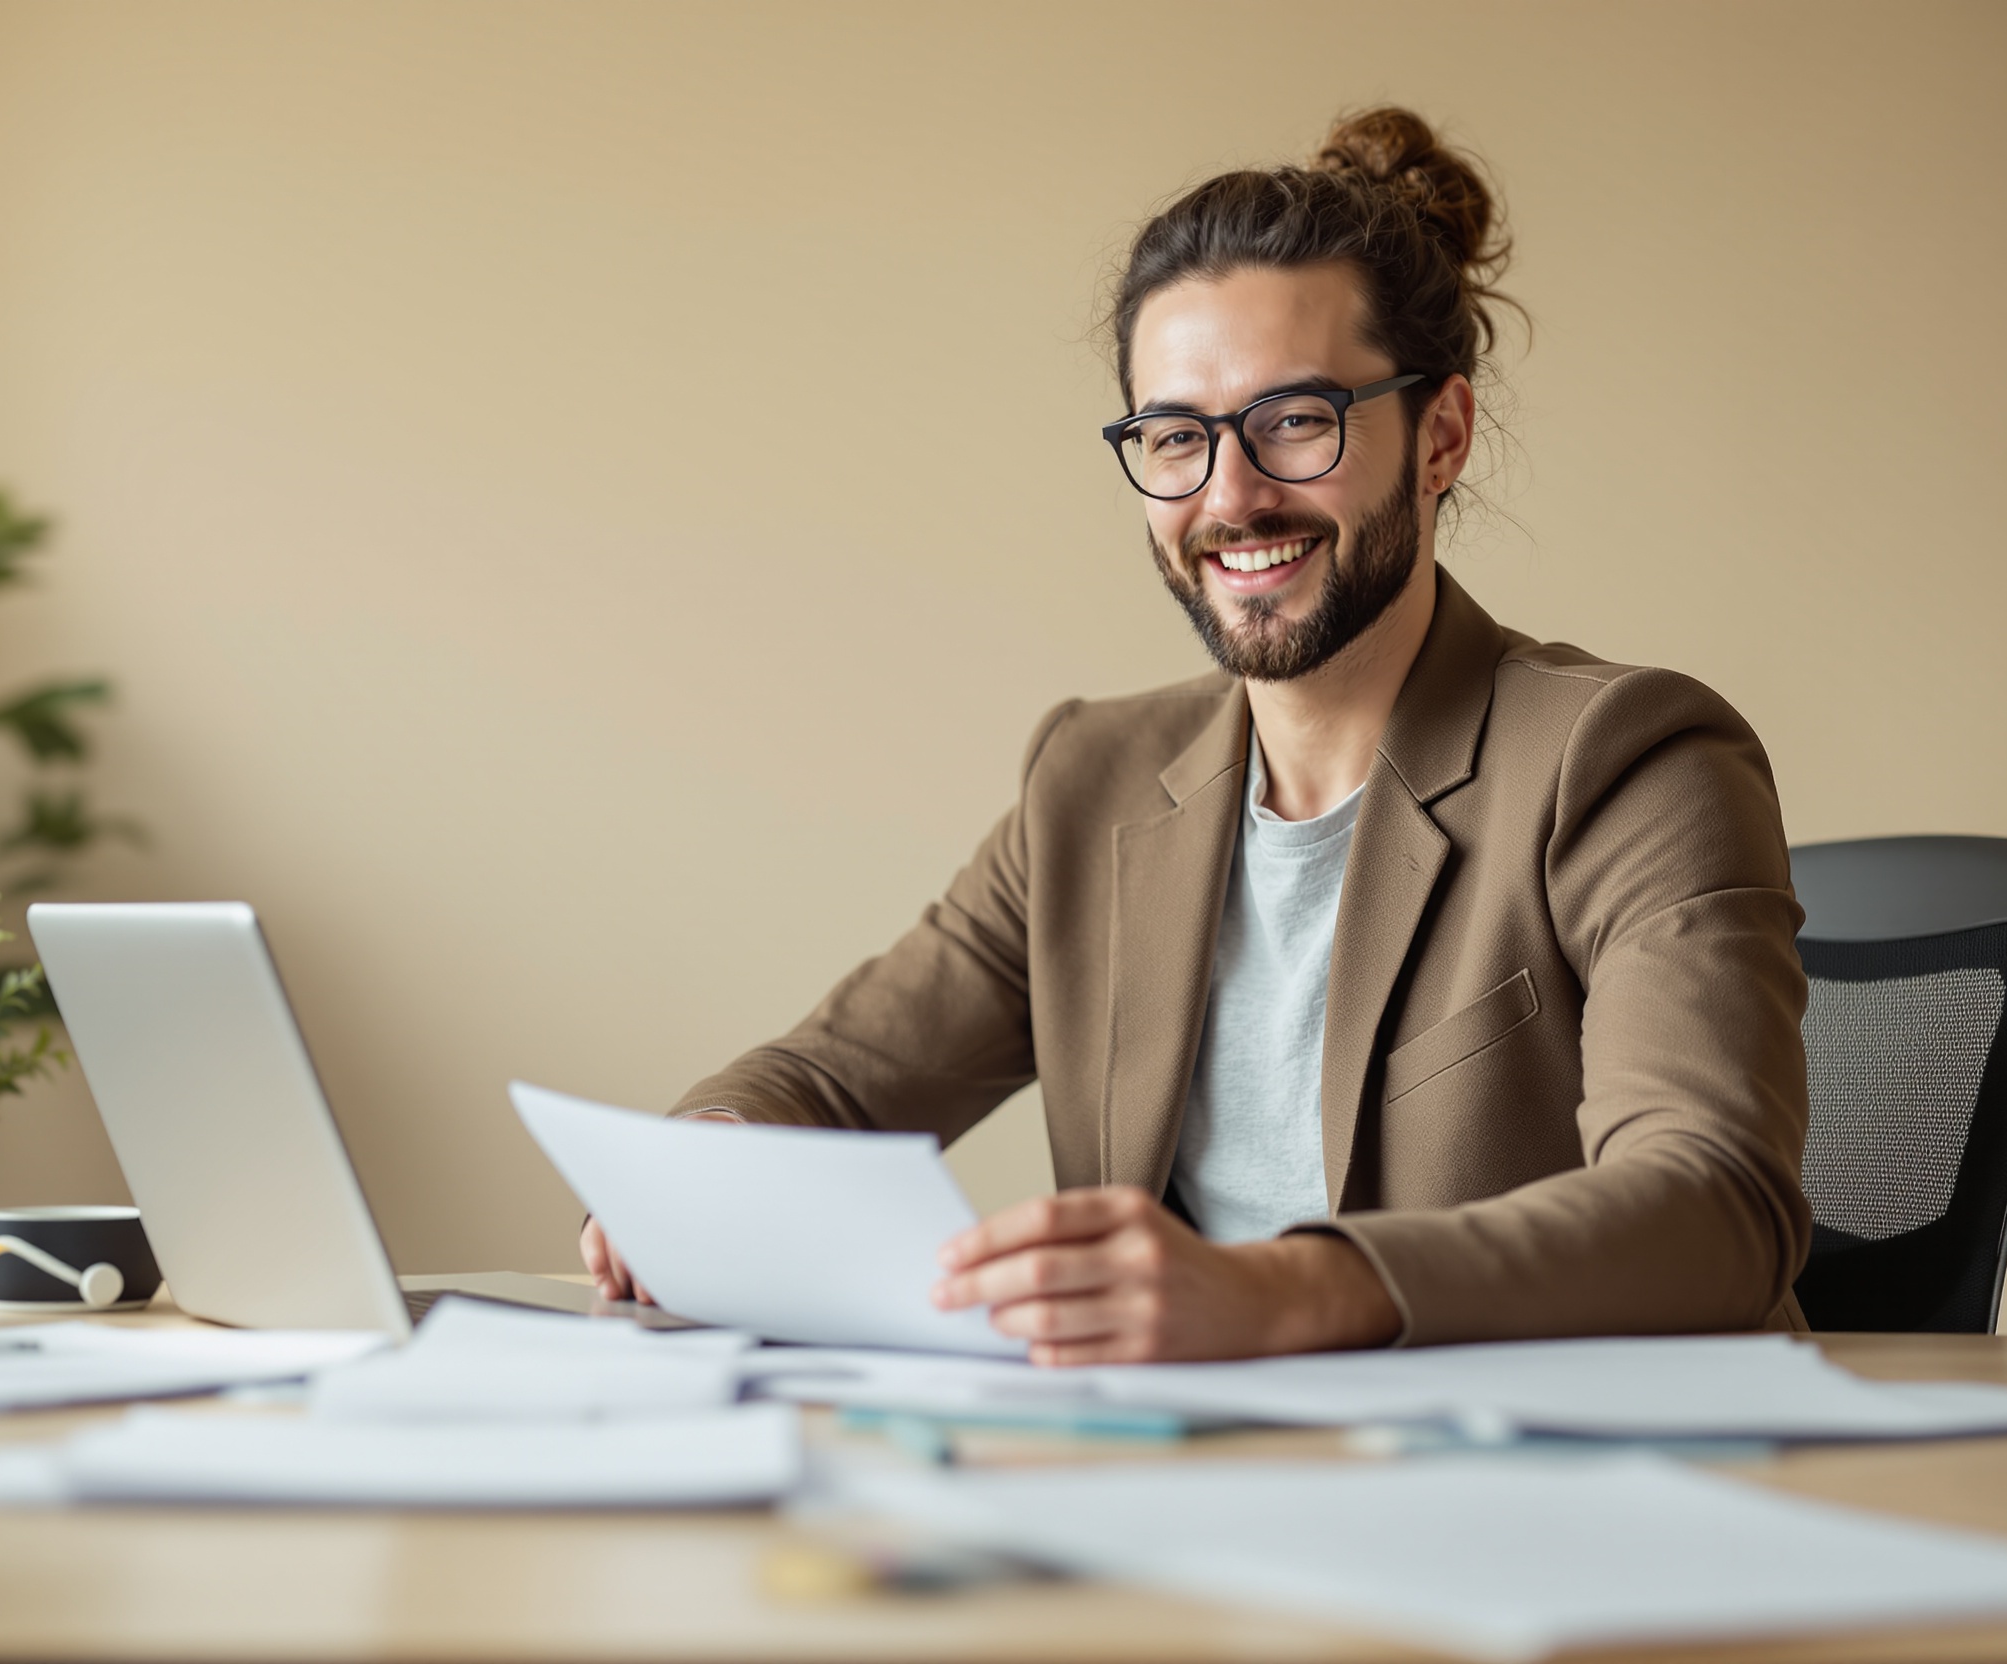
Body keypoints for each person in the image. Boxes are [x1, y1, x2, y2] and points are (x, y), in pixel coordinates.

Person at [583, 107, 1810, 1362]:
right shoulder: (1090, 783)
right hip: (1186, 1482)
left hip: (1553, 1501)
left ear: (1439, 437)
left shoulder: (1631, 756)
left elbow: (1718, 1201)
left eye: (1295, 419)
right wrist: (712, 1152)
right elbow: (836, 1083)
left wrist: (1284, 1292)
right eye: (1175, 436)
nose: (1229, 497)